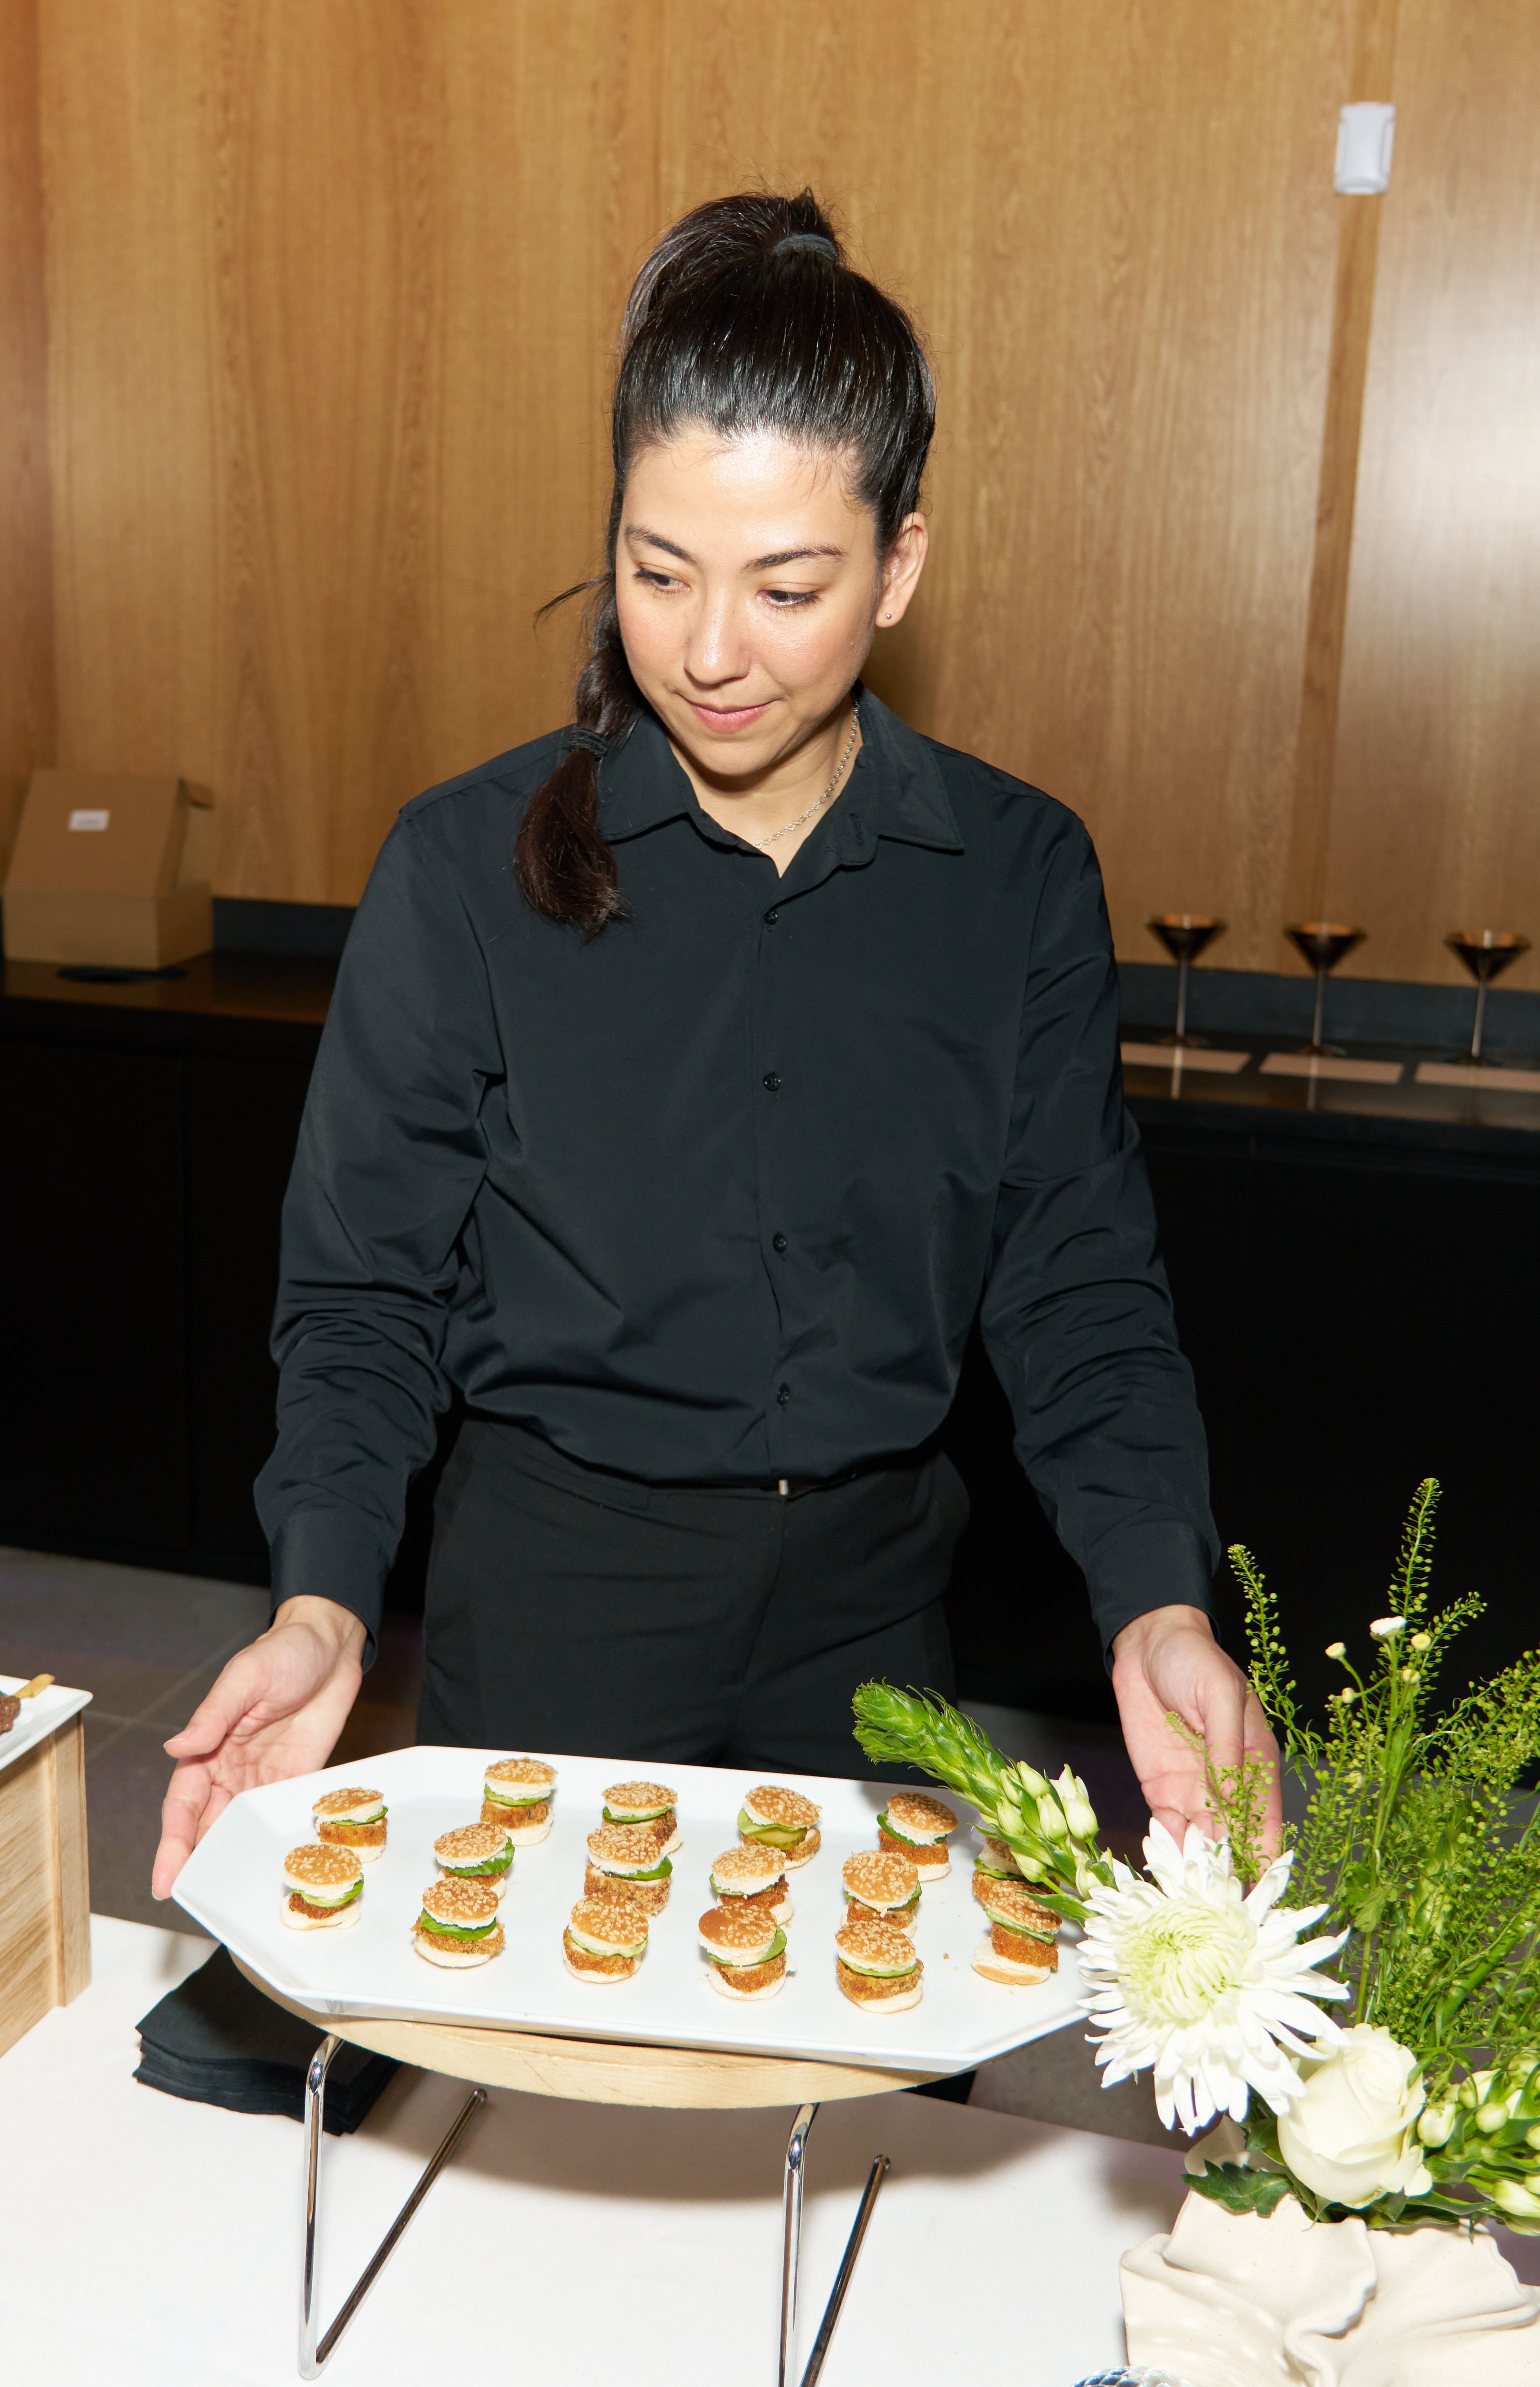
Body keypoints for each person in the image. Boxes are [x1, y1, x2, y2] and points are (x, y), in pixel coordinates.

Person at [153, 189, 1278, 1906]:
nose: (707, 650)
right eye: (659, 569)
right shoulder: (463, 866)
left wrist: (1160, 1600)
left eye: (789, 584)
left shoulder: (1017, 872)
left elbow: (1076, 1282)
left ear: (903, 560)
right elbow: (366, 1289)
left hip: (877, 1610)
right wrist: (322, 1595)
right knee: (530, 2081)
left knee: (873, 2094)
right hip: (556, 1594)